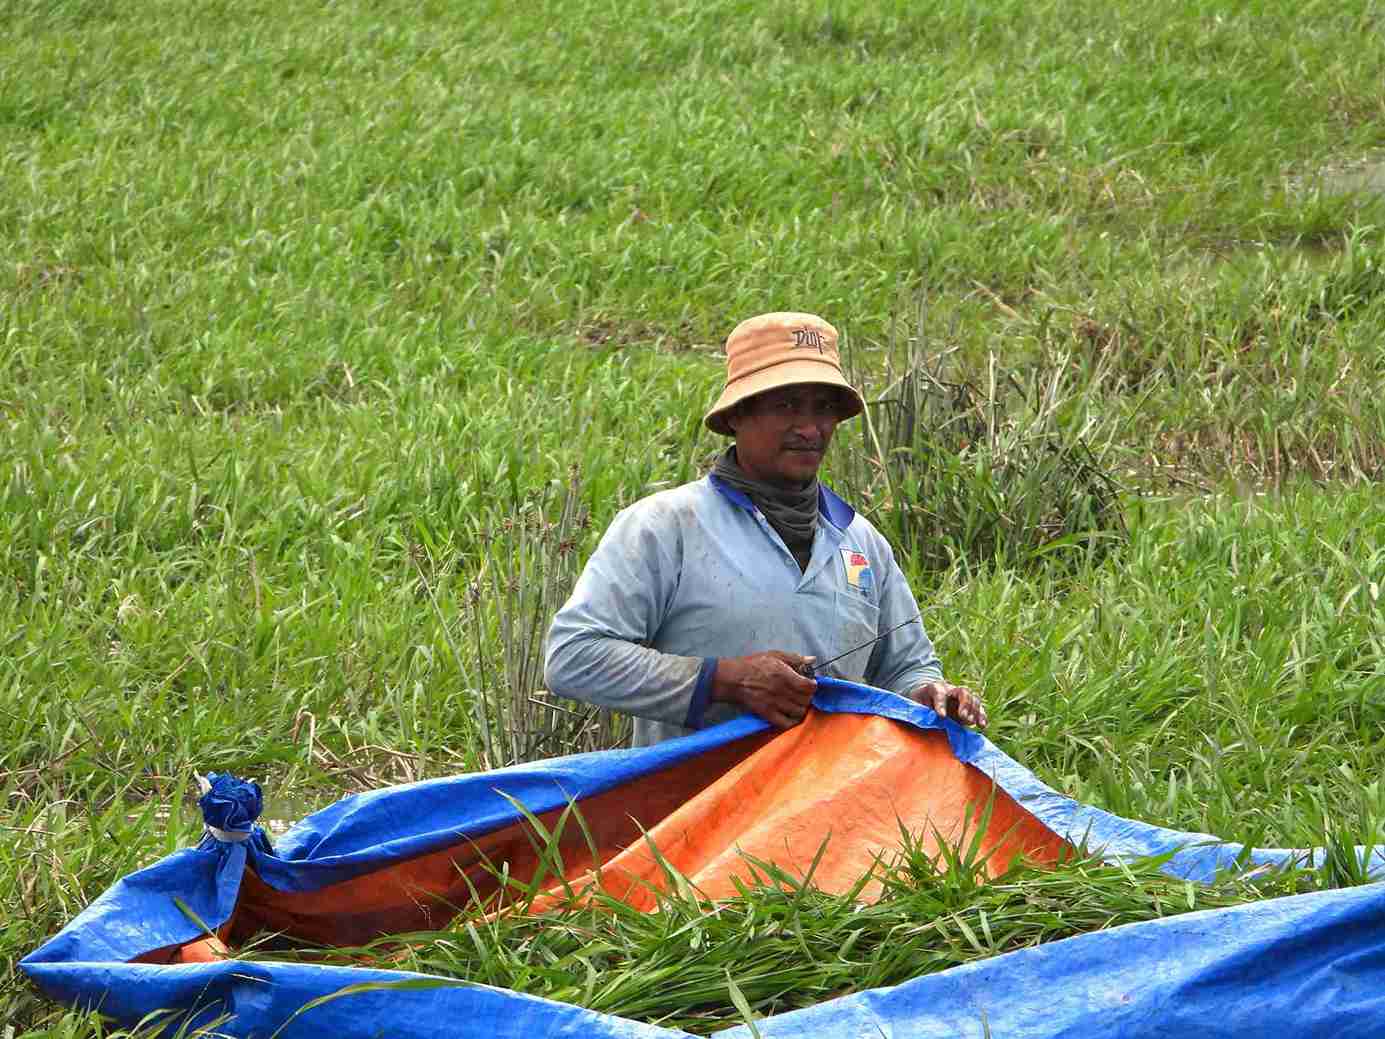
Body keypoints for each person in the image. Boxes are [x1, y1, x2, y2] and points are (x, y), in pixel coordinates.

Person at [544, 311, 987, 747]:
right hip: (692, 808)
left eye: (824, 408)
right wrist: (725, 680)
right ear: (737, 414)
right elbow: (573, 657)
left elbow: (906, 668)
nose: (811, 428)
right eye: (787, 404)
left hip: (828, 811)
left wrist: (931, 696)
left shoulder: (861, 542)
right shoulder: (666, 527)